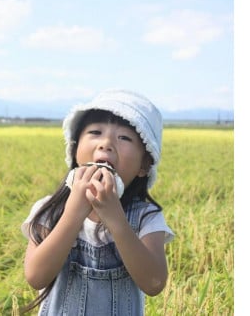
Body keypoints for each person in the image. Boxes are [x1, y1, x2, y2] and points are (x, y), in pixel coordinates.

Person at [21, 89, 174, 315]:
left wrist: (116, 220)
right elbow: (36, 276)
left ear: (144, 165)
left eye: (124, 137)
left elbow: (154, 283)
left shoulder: (146, 217)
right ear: (74, 150)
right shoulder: (50, 209)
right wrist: (73, 213)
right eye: (95, 132)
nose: (106, 144)